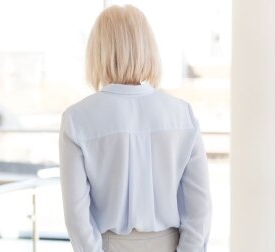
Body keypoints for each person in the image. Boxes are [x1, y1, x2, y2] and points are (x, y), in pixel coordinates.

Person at [59, 5, 211, 252]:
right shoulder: (182, 115)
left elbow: (77, 218)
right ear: (147, 48)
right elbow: (199, 210)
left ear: (97, 52)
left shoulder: (77, 119)